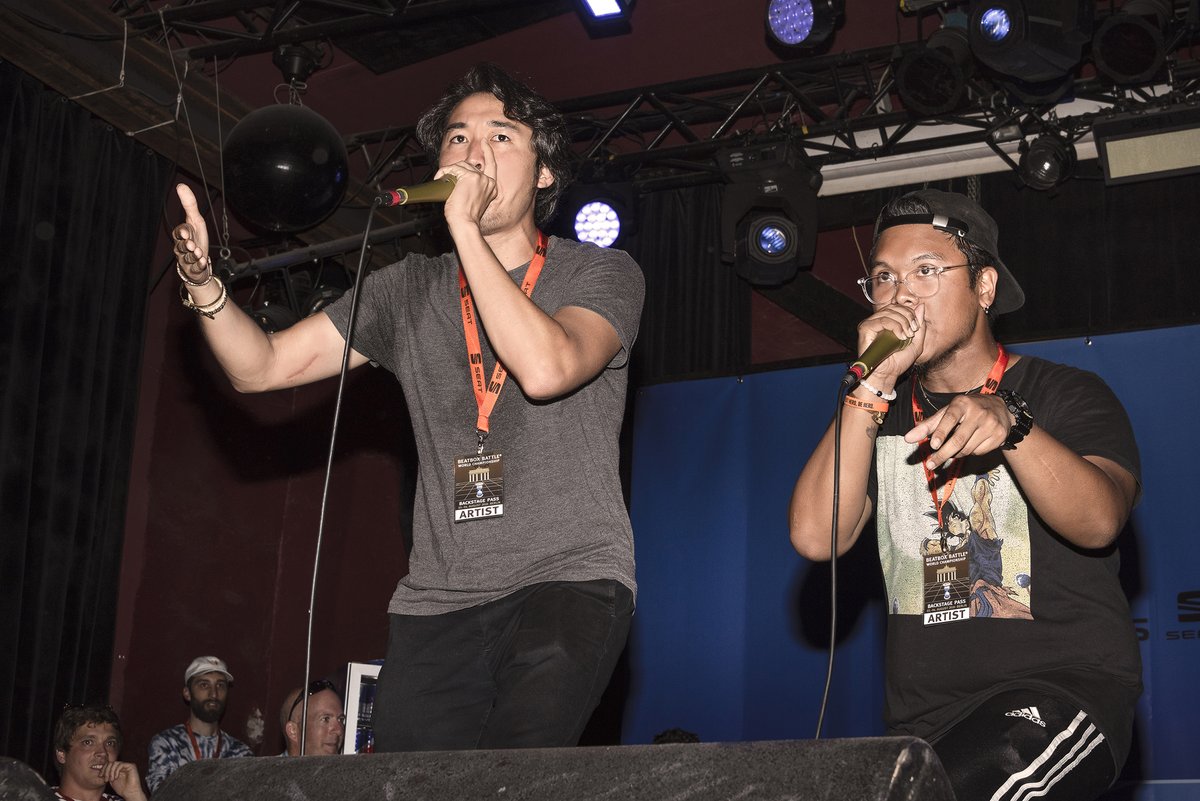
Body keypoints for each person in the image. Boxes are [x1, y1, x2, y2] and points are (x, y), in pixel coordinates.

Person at [169, 63, 643, 751]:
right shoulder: (405, 290)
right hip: (440, 600)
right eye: (457, 138)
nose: (472, 152)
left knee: (516, 778)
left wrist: (467, 235)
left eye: (500, 136)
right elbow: (261, 367)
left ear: (545, 173)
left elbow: (546, 368)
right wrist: (207, 288)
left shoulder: (600, 272)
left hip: (568, 580)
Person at [788, 188, 1141, 801]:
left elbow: (1100, 521)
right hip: (923, 726)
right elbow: (817, 537)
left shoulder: (1065, 393)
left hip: (1059, 696)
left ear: (984, 289)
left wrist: (1015, 425)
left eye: (927, 271)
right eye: (883, 277)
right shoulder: (878, 412)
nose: (901, 293)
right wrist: (869, 389)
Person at [145, 656, 254, 792]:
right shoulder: (167, 744)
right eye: (204, 685)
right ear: (187, 693)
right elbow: (163, 795)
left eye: (220, 685)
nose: (214, 694)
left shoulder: (241, 753)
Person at [51, 704, 148, 801]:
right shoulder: (40, 796)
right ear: (61, 754)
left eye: (110, 743)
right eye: (88, 742)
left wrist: (134, 795)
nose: (103, 752)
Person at [278, 679, 346, 756]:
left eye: (341, 720)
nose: (339, 730)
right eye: (325, 719)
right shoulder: (267, 768)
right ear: (293, 731)